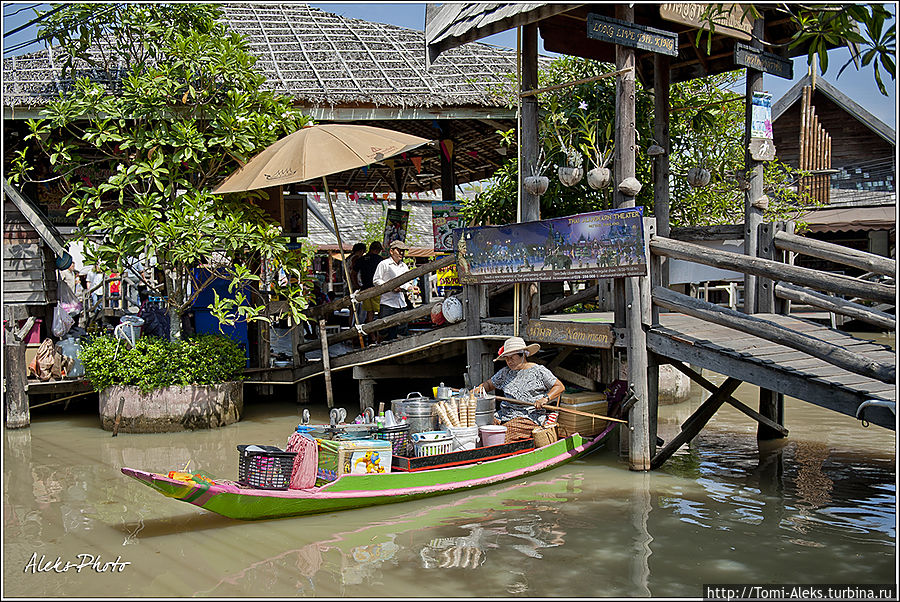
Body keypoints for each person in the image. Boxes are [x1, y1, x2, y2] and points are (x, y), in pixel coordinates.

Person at [473, 336, 565, 426]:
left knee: (503, 434)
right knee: (482, 425)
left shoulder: (539, 371)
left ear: (523, 355)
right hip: (504, 415)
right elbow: (489, 385)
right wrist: (476, 391)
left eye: (512, 357)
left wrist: (545, 399)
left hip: (528, 417)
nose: (509, 361)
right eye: (507, 358)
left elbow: (559, 386)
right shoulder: (505, 372)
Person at [372, 239, 419, 341]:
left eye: (403, 251)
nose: (401, 253)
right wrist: (390, 287)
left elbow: (406, 282)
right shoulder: (384, 264)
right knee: (385, 330)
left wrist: (409, 287)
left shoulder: (404, 266)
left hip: (401, 302)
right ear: (391, 251)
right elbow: (376, 280)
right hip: (387, 302)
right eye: (399, 250)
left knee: (401, 329)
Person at [355, 241, 384, 342]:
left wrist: (357, 285)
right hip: (377, 289)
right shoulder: (380, 260)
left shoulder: (362, 259)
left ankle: (372, 336)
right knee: (380, 313)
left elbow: (353, 273)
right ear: (378, 250)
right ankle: (379, 335)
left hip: (366, 289)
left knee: (369, 314)